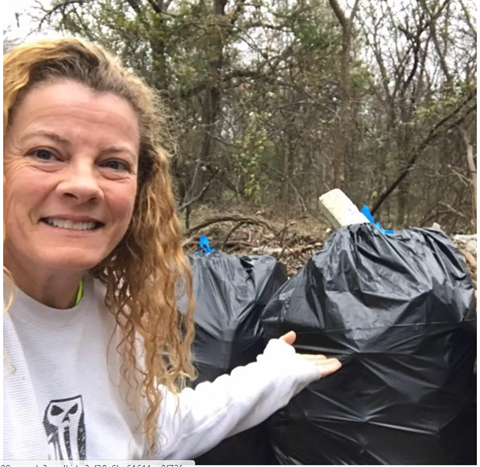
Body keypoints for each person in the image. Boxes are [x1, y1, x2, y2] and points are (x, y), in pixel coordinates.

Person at [3, 37, 342, 461]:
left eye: (113, 163)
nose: (84, 185)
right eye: (45, 153)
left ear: (141, 189)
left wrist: (275, 375)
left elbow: (159, 430)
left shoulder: (109, 312)